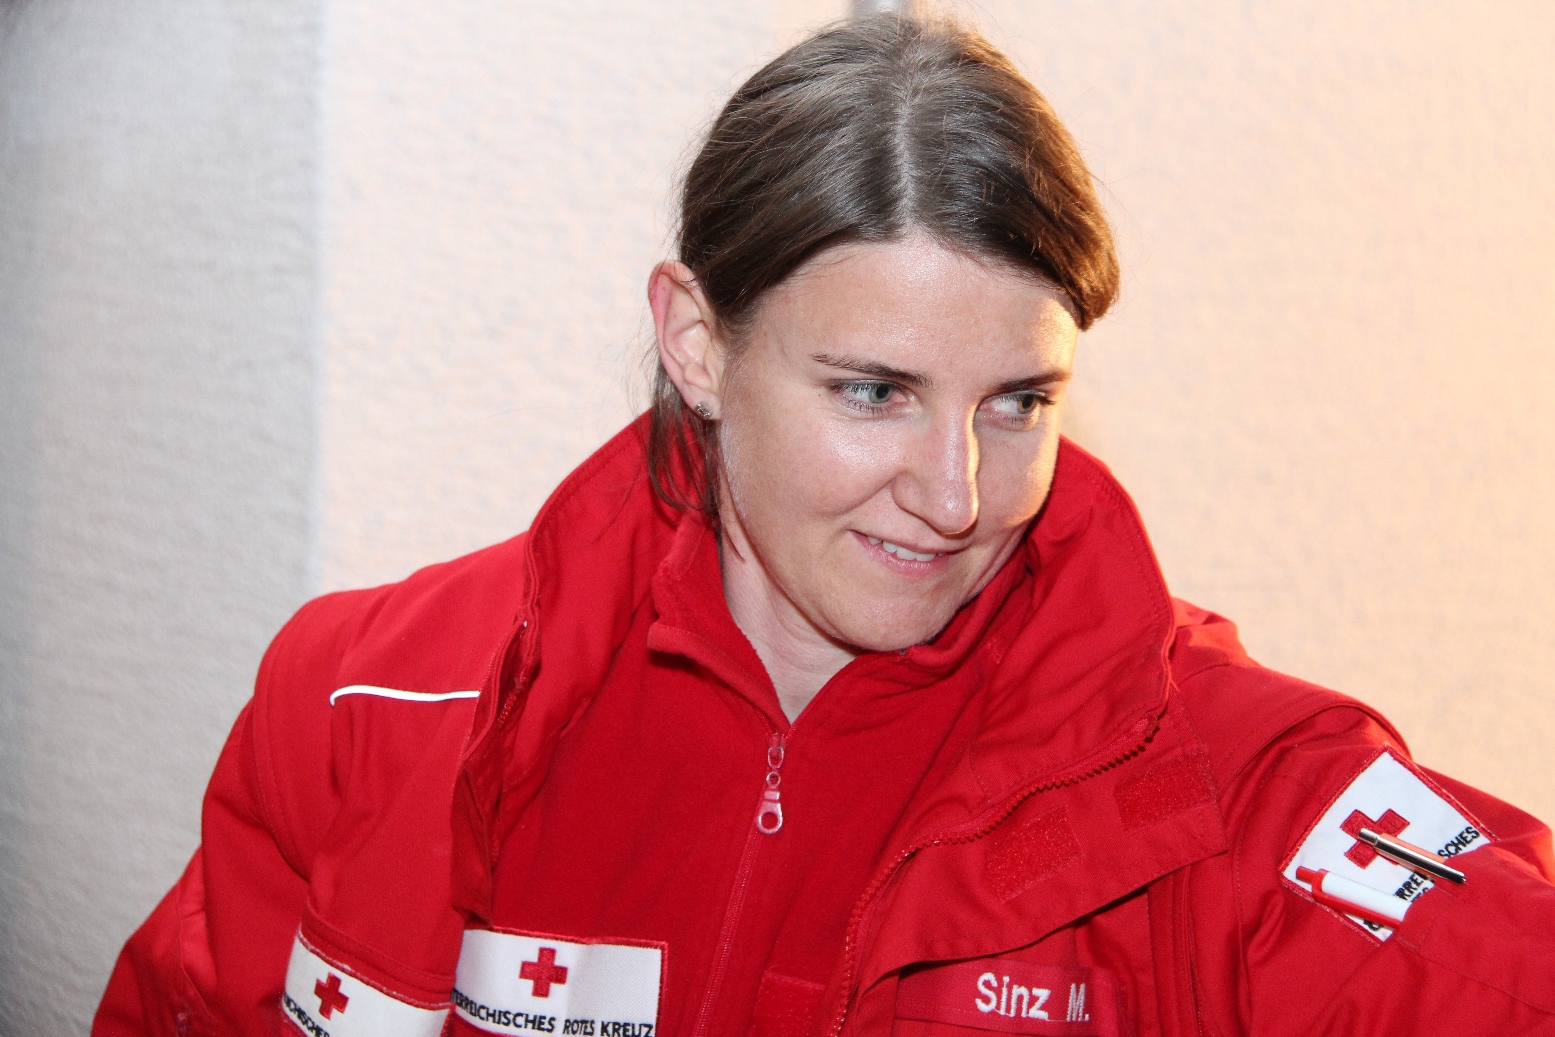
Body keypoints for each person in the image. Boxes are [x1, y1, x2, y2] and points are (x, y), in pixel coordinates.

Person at [94, 14, 1555, 1037]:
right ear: (699, 344)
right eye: (875, 391)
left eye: (1018, 402)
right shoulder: (368, 703)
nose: (956, 494)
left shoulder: (1232, 791)